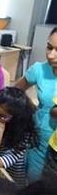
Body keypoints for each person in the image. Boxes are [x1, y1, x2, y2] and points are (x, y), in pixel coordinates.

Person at [15, 27, 57, 182]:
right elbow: (16, 90)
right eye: (49, 47)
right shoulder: (39, 69)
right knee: (35, 183)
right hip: (39, 140)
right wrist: (34, 110)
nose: (51, 55)